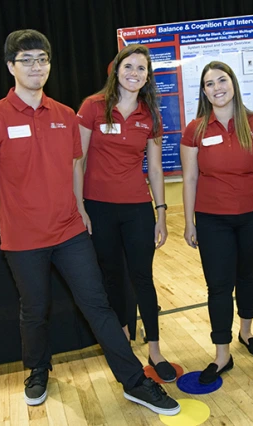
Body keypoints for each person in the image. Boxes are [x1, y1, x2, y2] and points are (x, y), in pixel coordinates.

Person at [0, 29, 179, 415]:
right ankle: (37, 369)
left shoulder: (65, 115)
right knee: (34, 309)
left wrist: (77, 208)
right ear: (10, 67)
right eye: (27, 60)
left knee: (97, 305)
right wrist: (12, 214)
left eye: (42, 59)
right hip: (23, 238)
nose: (36, 67)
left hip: (69, 232)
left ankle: (135, 382)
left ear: (50, 65)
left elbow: (74, 167)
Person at [75, 44, 176, 382]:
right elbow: (78, 160)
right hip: (99, 207)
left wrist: (161, 211)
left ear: (148, 76)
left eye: (141, 69)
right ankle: (122, 342)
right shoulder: (92, 107)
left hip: (136, 208)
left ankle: (155, 348)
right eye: (129, 66)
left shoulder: (151, 114)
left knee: (142, 277)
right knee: (112, 276)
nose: (134, 73)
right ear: (116, 69)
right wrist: (79, 206)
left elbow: (157, 168)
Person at [180, 61, 253, 384]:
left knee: (247, 276)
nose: (217, 88)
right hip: (212, 220)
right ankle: (221, 354)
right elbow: (190, 178)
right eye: (209, 84)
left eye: (221, 80)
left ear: (233, 83)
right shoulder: (194, 129)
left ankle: (247, 332)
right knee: (219, 285)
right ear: (204, 92)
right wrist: (189, 221)